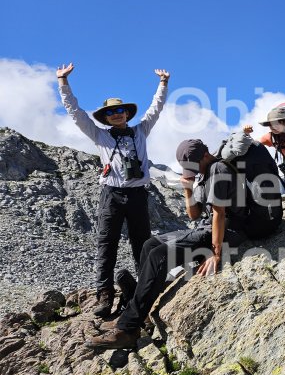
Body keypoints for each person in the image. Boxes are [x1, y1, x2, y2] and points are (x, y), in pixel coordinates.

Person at [86, 138, 256, 349]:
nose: (191, 170)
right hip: (205, 229)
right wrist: (188, 189)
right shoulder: (204, 171)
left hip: (227, 231)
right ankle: (138, 309)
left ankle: (128, 329)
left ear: (205, 155)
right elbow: (194, 215)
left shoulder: (219, 169)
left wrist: (215, 252)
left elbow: (219, 214)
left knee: (159, 256)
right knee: (150, 244)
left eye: (193, 166)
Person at [57, 63, 169, 317]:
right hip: (112, 195)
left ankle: (144, 289)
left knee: (143, 244)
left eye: (120, 110)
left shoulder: (141, 130)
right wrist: (63, 83)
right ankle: (104, 296)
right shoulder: (100, 136)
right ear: (106, 118)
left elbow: (156, 109)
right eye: (111, 112)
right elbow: (76, 113)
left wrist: (162, 84)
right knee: (106, 245)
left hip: (139, 195)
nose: (117, 114)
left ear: (126, 114)